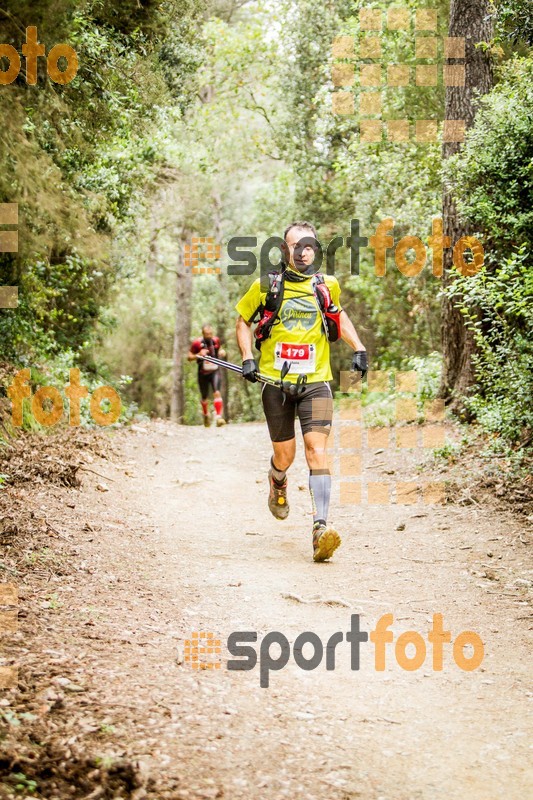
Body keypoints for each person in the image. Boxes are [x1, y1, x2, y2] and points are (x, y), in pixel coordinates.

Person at [235, 221, 368, 562]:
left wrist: (359, 348)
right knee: (286, 456)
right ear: (285, 249)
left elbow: (339, 315)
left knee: (316, 450)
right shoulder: (265, 285)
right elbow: (242, 322)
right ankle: (277, 480)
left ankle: (320, 528)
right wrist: (248, 358)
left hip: (316, 384)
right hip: (275, 385)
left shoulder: (327, 286)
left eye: (309, 246)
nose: (303, 251)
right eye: (296, 246)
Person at [188, 325, 226, 427]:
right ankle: (206, 415)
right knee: (204, 397)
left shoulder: (216, 340)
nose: (209, 336)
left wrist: (222, 352)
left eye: (210, 334)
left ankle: (218, 417)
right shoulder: (197, 343)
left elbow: (220, 349)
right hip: (202, 373)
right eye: (207, 334)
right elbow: (189, 357)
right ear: (203, 334)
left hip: (215, 371)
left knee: (217, 392)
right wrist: (199, 354)